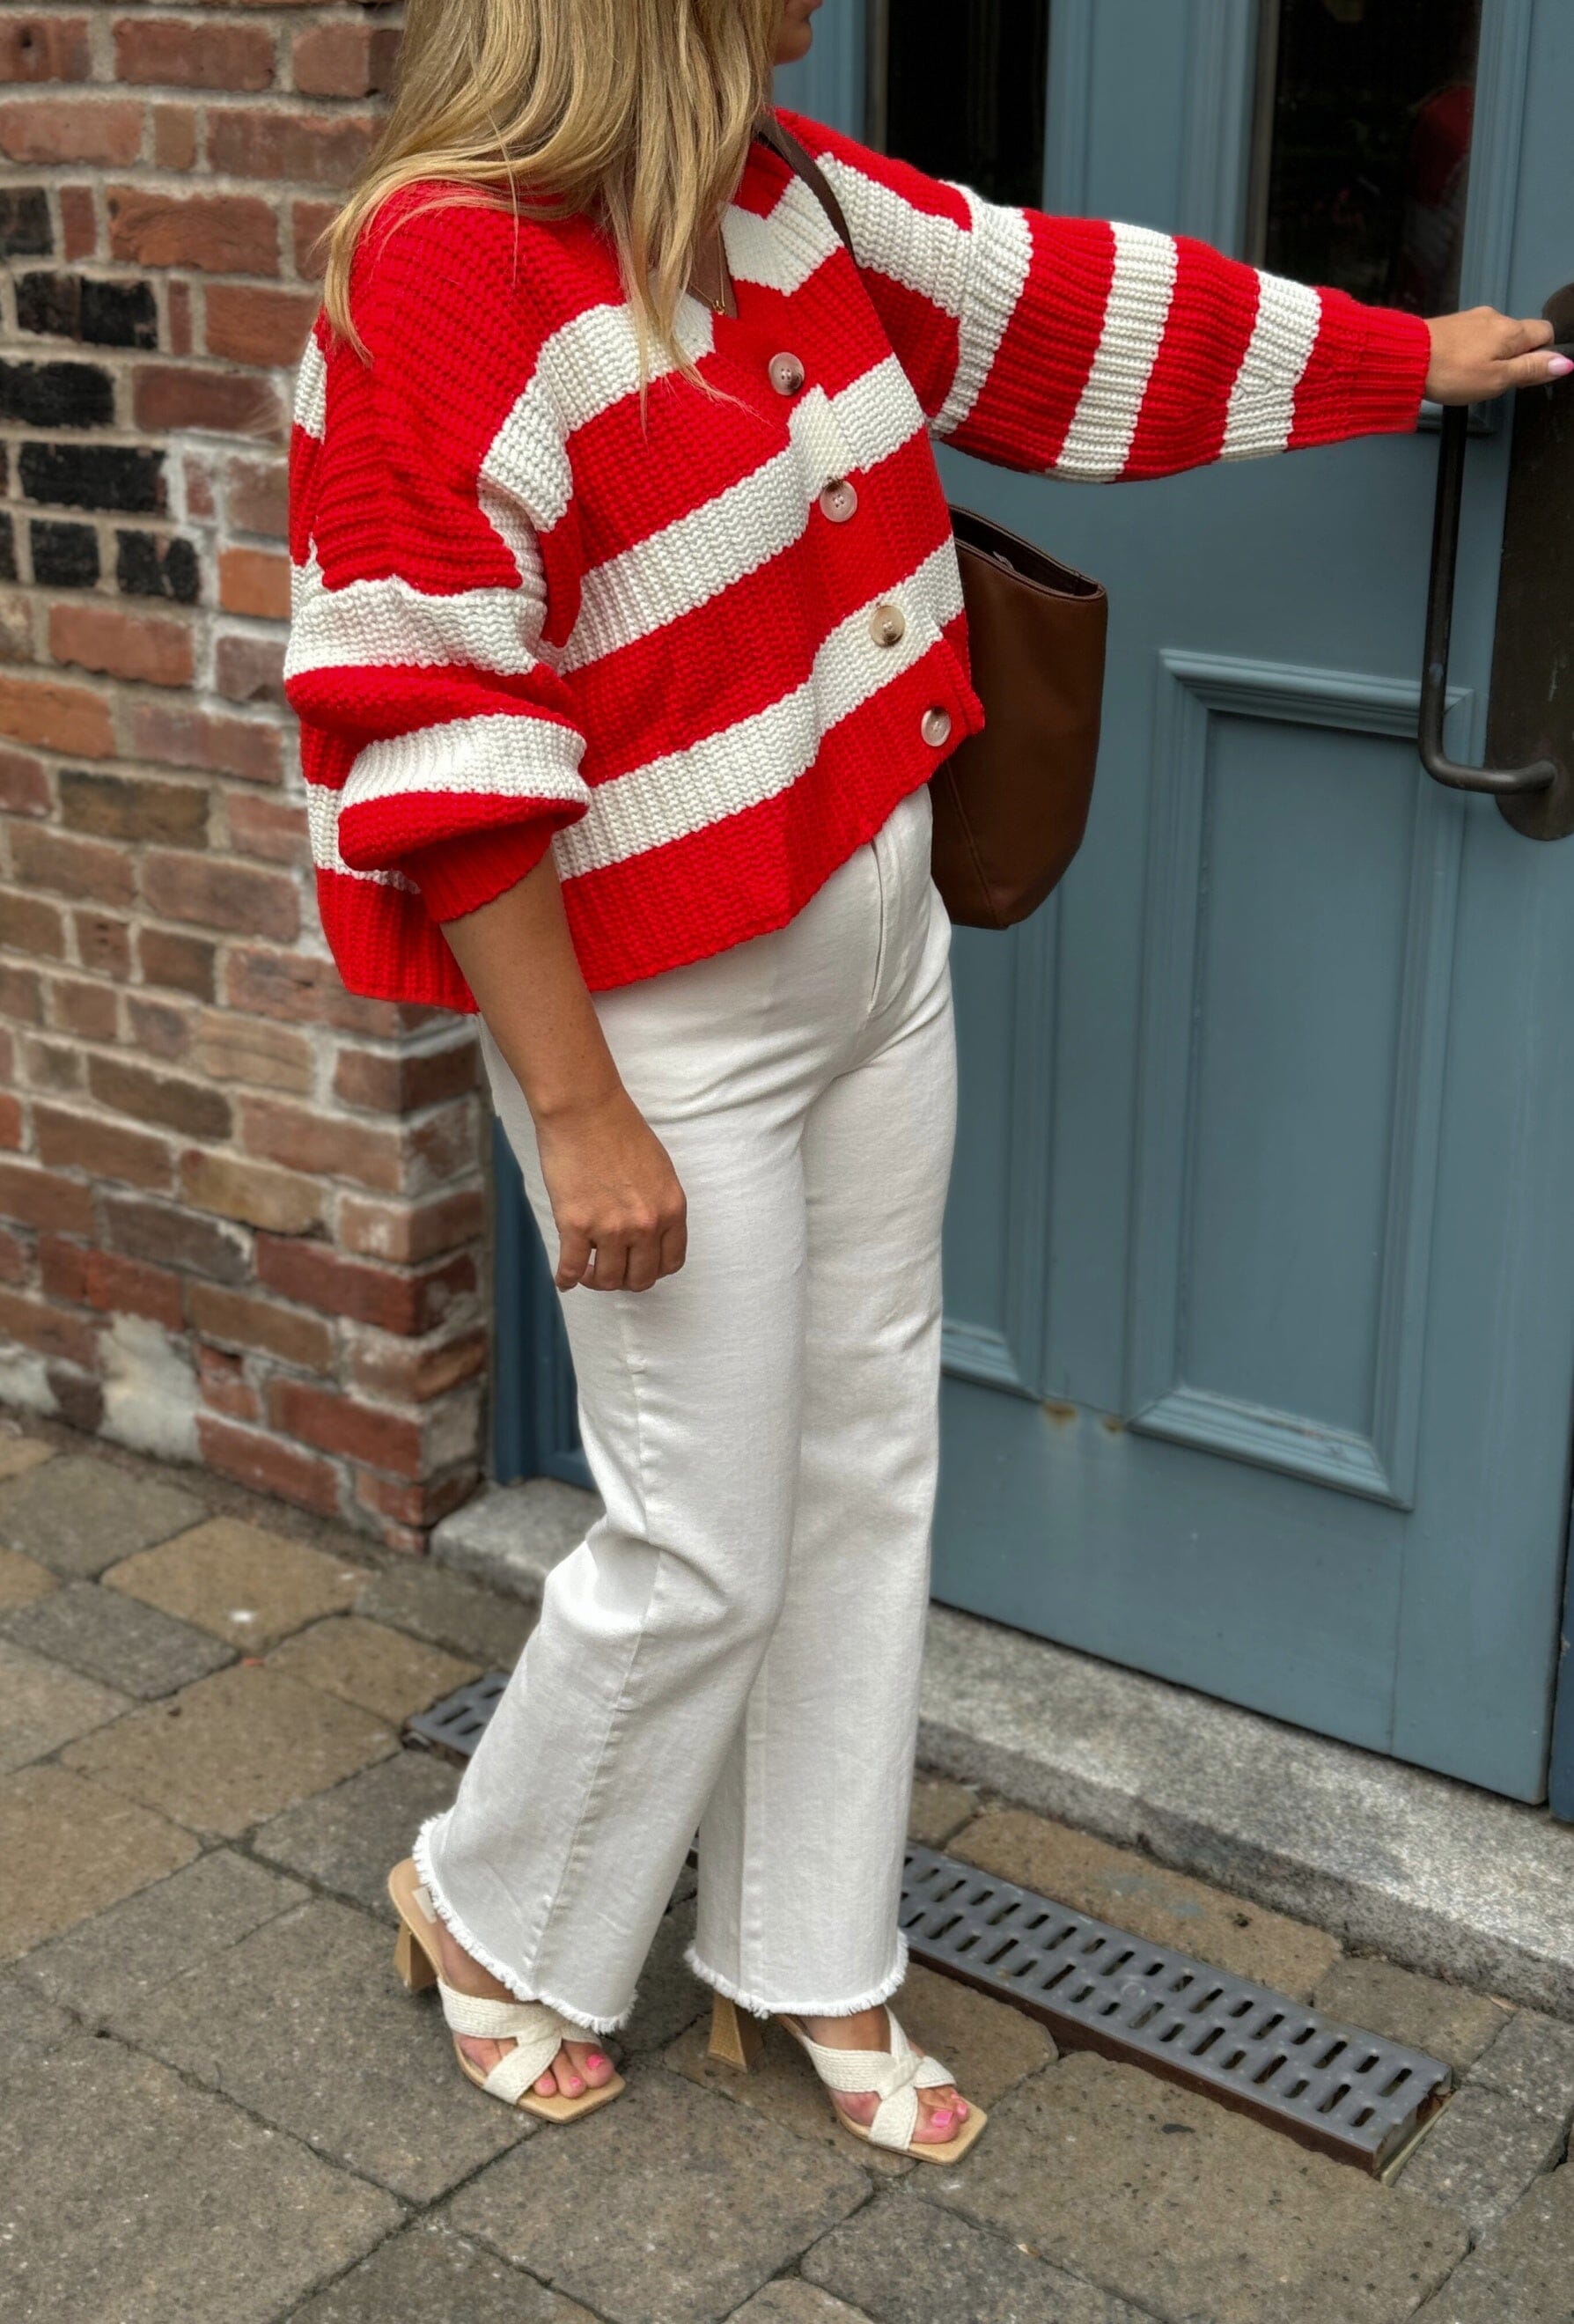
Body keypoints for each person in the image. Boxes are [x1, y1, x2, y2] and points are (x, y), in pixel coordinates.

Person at [284, 0, 1569, 2159]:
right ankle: (496, 1903)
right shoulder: (450, 268)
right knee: (704, 1533)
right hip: (654, 1012)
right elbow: (425, 722)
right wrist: (578, 1109)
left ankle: (805, 1953)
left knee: (867, 1462)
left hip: (874, 939)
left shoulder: (769, 195)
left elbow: (1058, 311)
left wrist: (1408, 363)